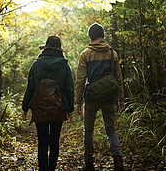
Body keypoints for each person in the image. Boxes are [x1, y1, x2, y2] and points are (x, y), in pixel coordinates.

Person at [75, 23, 125, 171]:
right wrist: (121, 98)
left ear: (90, 37)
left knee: (88, 131)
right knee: (111, 129)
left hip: (91, 98)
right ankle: (117, 158)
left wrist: (78, 101)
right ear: (102, 36)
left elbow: (80, 79)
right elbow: (118, 78)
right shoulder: (112, 53)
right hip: (109, 97)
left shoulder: (85, 54)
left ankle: (89, 163)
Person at [22, 36, 74, 171]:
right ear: (59, 49)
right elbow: (69, 89)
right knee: (54, 141)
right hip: (58, 108)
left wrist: (25, 108)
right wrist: (70, 109)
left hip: (39, 108)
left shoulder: (37, 64)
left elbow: (30, 88)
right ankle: (51, 169)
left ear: (45, 48)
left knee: (42, 142)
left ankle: (43, 168)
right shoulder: (64, 65)